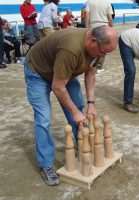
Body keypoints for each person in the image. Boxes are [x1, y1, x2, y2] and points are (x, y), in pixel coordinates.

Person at [23, 26, 117, 186]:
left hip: (64, 71)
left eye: (105, 53)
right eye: (102, 52)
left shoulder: (98, 48)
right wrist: (74, 112)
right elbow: (58, 86)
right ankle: (46, 165)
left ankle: (81, 143)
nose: (102, 56)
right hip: (38, 71)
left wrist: (91, 103)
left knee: (78, 105)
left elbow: (91, 73)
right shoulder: (71, 48)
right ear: (92, 41)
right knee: (43, 118)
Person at [85, 0, 114, 74]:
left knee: (91, 46)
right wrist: (111, 27)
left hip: (93, 26)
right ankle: (98, 67)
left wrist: (86, 27)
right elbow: (110, 18)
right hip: (104, 25)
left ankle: (88, 65)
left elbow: (87, 15)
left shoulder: (89, 2)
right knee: (102, 48)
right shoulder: (107, 2)